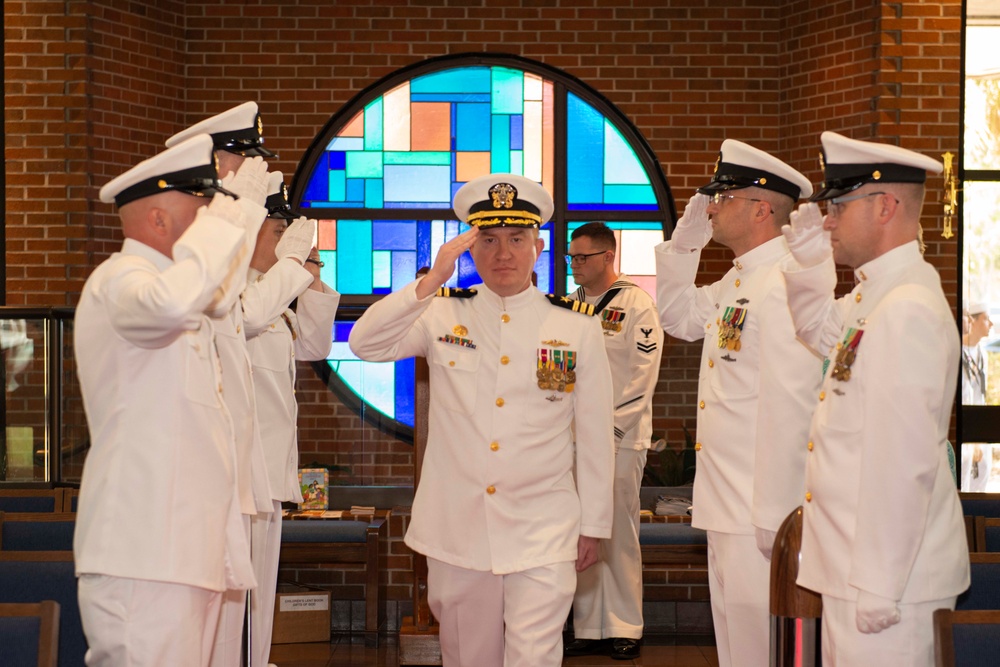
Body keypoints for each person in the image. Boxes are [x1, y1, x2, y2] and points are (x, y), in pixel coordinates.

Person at [349, 173, 614, 667]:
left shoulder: (574, 325)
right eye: (487, 240)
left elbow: (597, 434)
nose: (502, 253)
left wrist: (594, 525)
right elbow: (366, 344)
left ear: (538, 246)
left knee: (534, 656)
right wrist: (430, 282)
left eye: (516, 240)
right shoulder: (443, 313)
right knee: (469, 657)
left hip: (544, 527)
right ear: (470, 249)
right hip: (458, 530)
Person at [780, 131, 970, 666]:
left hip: (890, 581)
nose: (829, 220)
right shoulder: (874, 294)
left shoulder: (906, 306)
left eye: (838, 207)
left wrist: (880, 584)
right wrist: (807, 263)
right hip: (855, 567)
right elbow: (818, 331)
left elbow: (902, 461)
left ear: (885, 205)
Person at [74, 134, 256, 666]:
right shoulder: (121, 280)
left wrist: (231, 218)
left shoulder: (175, 293)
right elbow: (171, 304)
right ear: (158, 221)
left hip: (180, 553)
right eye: (201, 210)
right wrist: (226, 221)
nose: (211, 223)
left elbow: (216, 295)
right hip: (144, 554)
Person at [655, 139, 820, 667]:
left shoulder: (784, 283)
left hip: (760, 512)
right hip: (728, 504)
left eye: (724, 197)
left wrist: (777, 513)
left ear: (760, 209)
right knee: (736, 650)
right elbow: (678, 318)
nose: (711, 207)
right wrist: (683, 250)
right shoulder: (739, 278)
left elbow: (791, 406)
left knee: (761, 651)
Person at [166, 101, 295, 667]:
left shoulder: (223, 253)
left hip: (245, 463)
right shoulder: (188, 254)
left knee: (238, 619)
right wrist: (243, 214)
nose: (250, 178)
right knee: (213, 621)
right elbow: (238, 315)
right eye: (239, 165)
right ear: (214, 165)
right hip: (207, 468)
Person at [243, 172, 340, 667]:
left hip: (271, 469)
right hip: (240, 471)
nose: (288, 245)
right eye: (279, 234)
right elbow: (248, 320)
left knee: (261, 585)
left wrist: (312, 274)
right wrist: (288, 271)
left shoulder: (270, 293)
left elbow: (315, 346)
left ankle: (257, 660)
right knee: (238, 592)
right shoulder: (238, 295)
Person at [562, 222, 663, 660]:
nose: (575, 265)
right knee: (583, 529)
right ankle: (587, 624)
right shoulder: (568, 306)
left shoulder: (637, 304)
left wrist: (612, 429)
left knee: (618, 529)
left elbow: (643, 375)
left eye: (583, 257)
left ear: (608, 256)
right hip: (575, 439)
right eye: (571, 257)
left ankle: (625, 624)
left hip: (621, 438)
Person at [963, 301, 991, 405]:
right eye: (986, 319)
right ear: (972, 320)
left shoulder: (983, 354)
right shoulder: (958, 350)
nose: (991, 324)